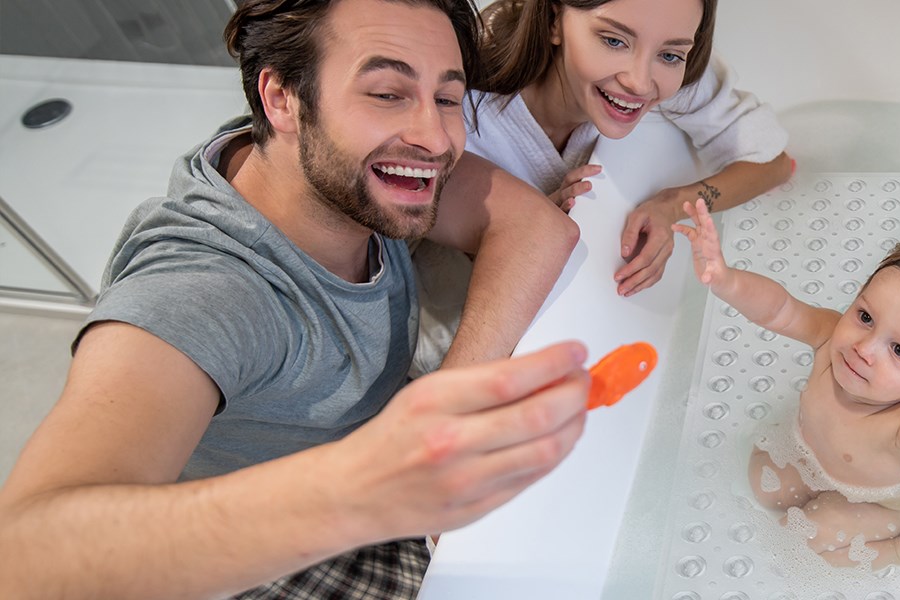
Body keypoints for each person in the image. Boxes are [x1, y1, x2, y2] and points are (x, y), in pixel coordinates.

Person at [0, 0, 586, 597]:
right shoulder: (203, 288)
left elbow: (536, 229)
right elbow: (25, 560)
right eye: (387, 93)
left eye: (445, 98)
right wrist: (363, 488)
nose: (435, 139)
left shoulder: (330, 166)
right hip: (270, 561)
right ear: (280, 98)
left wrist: (451, 404)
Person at [411, 0, 793, 374]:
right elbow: (403, 232)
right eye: (613, 41)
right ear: (555, 19)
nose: (639, 82)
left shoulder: (668, 67)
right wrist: (523, 222)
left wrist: (672, 204)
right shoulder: (461, 101)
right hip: (446, 336)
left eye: (671, 55)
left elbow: (773, 164)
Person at [674, 199, 900, 569]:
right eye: (866, 316)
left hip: (876, 503)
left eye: (899, 350)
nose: (864, 348)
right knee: (762, 484)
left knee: (795, 540)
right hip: (808, 457)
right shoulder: (828, 335)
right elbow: (779, 309)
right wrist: (727, 280)